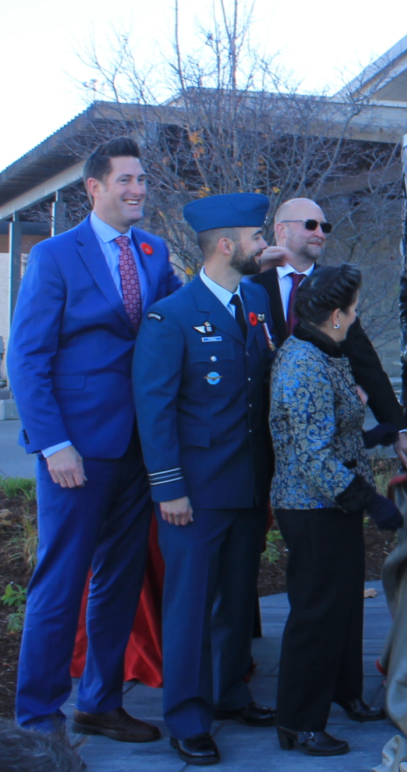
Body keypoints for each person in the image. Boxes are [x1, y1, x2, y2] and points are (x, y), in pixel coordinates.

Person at [8, 136, 181, 741]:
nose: (138, 190)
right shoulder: (55, 257)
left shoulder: (155, 251)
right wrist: (53, 444)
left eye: (142, 180)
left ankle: (100, 703)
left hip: (140, 447)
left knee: (119, 579)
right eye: (126, 180)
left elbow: (175, 322)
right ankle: (37, 718)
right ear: (95, 187)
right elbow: (25, 360)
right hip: (76, 453)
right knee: (60, 582)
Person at [133, 192, 279, 765]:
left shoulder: (254, 302)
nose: (263, 245)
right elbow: (155, 407)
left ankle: (229, 694)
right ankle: (188, 717)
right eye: (257, 237)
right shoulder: (172, 315)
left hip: (245, 484)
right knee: (191, 606)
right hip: (193, 491)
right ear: (227, 245)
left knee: (237, 599)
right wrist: (168, 487)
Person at [269, 264, 405, 756]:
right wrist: (372, 503)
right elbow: (310, 456)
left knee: (345, 605)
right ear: (334, 316)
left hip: (335, 500)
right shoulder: (303, 363)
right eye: (352, 308)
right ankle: (299, 722)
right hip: (311, 506)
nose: (356, 313)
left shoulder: (326, 351)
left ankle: (344, 693)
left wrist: (379, 434)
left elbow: (332, 432)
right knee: (317, 612)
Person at [250, 197, 407, 475]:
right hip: (256, 443)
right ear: (281, 230)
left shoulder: (334, 288)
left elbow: (366, 364)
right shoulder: (249, 286)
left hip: (325, 448)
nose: (320, 233)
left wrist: (398, 431)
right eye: (310, 225)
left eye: (324, 226)